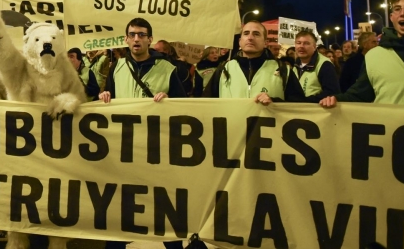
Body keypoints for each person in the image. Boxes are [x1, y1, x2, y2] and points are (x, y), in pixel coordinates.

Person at [97, 18, 184, 248]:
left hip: (157, 149)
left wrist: (170, 101)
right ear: (126, 39)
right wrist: (105, 97)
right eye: (132, 34)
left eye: (142, 35)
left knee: (163, 205)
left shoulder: (168, 68)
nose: (137, 39)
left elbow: (186, 107)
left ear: (150, 39)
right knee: (119, 205)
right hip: (124, 150)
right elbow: (110, 96)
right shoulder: (117, 67)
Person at [322, 0, 404, 107]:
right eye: (397, 9)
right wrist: (335, 100)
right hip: (391, 126)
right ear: (392, 17)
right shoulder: (374, 56)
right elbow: (359, 95)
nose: (403, 13)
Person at [204, 21, 307, 103]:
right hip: (232, 129)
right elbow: (206, 104)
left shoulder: (283, 70)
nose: (250, 38)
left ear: (265, 43)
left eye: (256, 34)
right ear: (240, 41)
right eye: (246, 33)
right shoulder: (224, 69)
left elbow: (299, 107)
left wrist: (275, 102)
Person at [292, 31, 340, 102]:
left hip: (316, 111)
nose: (301, 46)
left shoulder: (325, 64)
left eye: (306, 43)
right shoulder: (296, 65)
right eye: (298, 43)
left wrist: (305, 101)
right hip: (298, 110)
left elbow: (332, 93)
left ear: (314, 47)